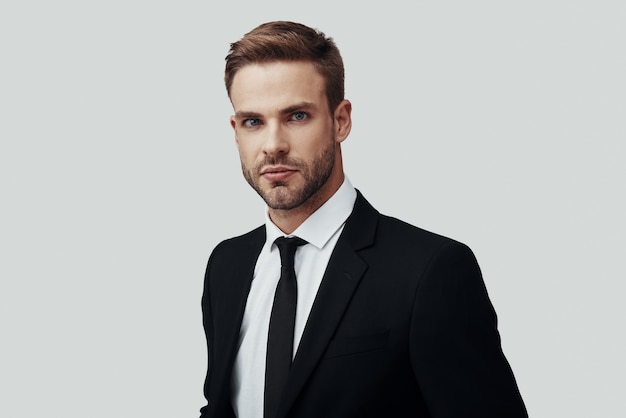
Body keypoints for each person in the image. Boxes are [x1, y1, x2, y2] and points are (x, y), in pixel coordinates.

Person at [199, 21, 528, 418]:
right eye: (254, 122)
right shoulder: (226, 266)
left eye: (298, 116)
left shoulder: (430, 271)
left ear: (340, 121)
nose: (273, 146)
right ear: (236, 131)